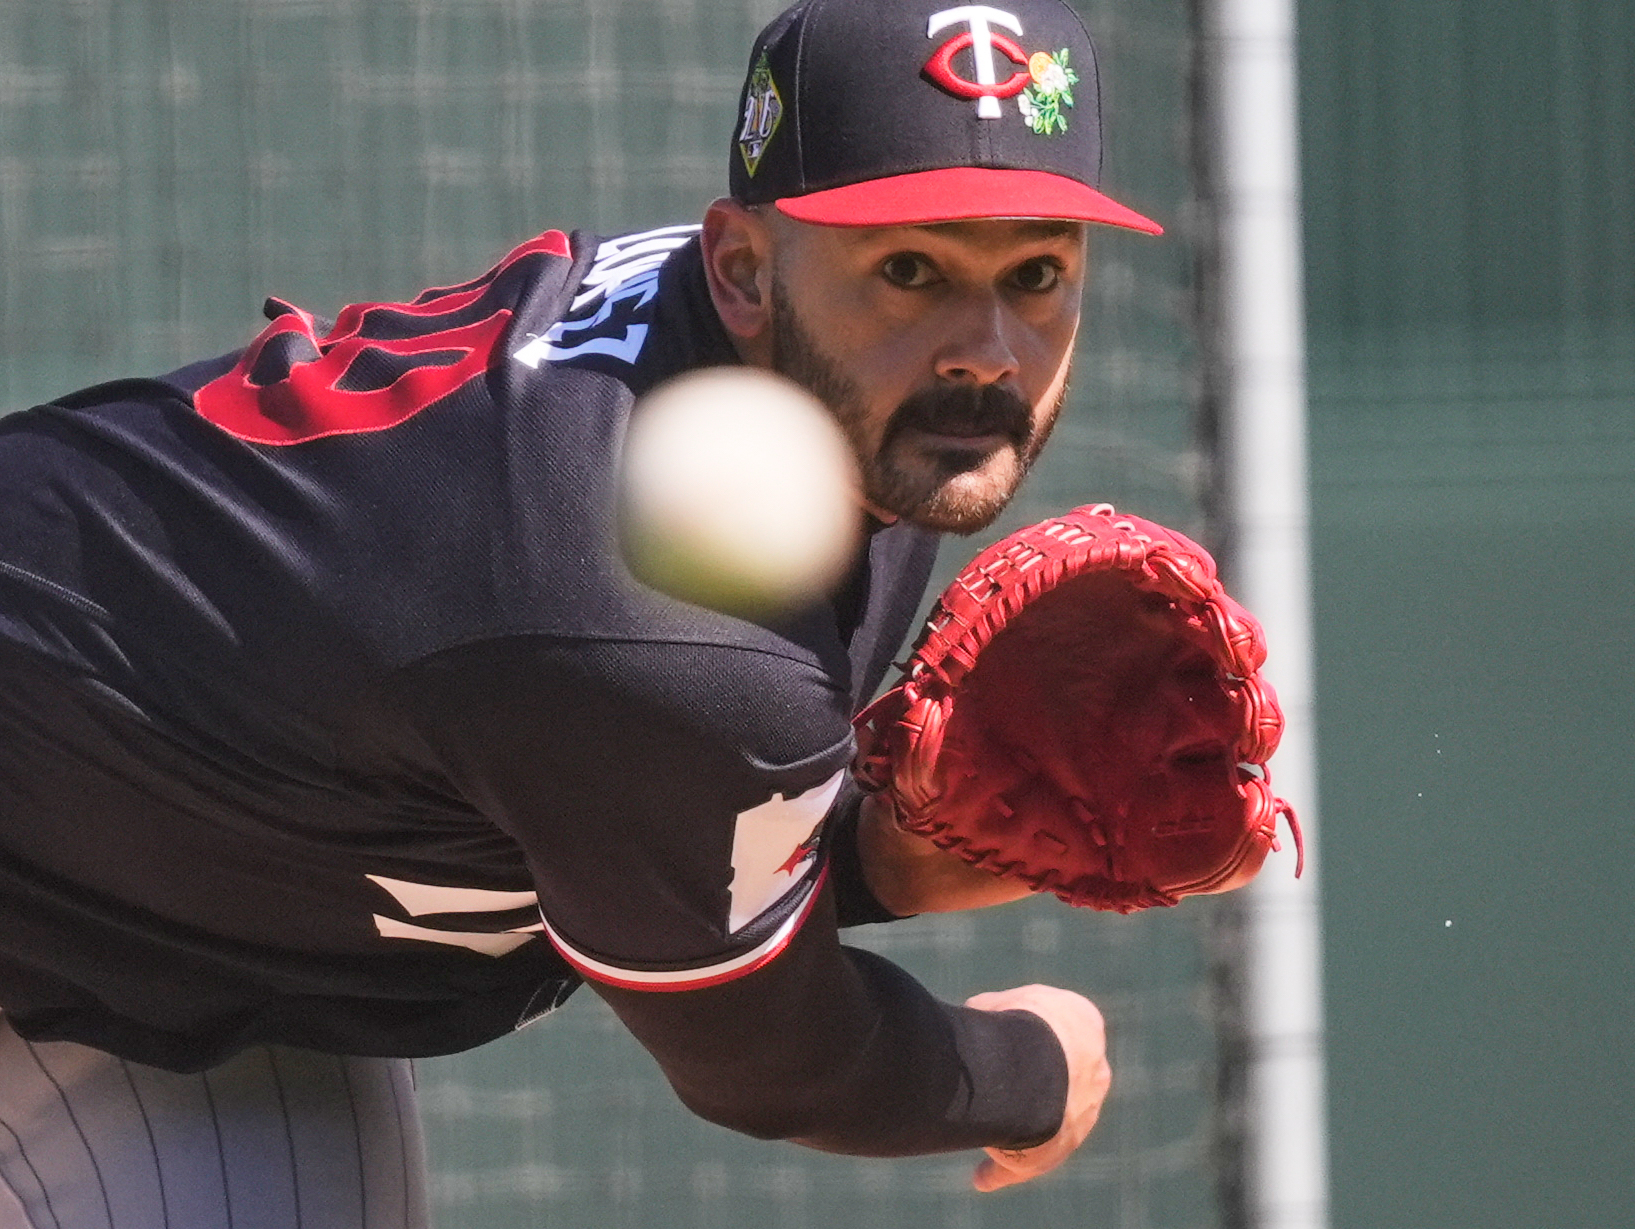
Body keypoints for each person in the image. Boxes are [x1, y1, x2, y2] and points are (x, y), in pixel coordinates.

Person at [0, 0, 1164, 1224]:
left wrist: (881, 855)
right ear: (743, 267)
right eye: (910, 268)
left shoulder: (819, 401)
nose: (982, 347)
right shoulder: (651, 615)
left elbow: (619, 821)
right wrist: (1031, 1069)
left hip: (140, 913)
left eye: (1034, 274)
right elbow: (777, 1057)